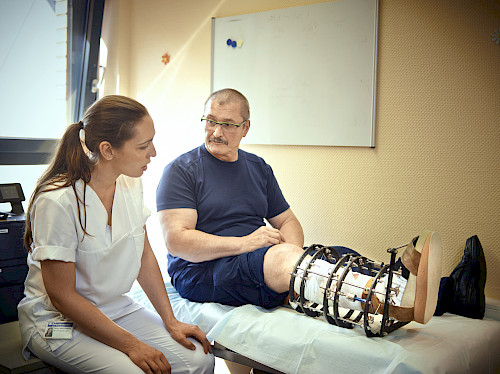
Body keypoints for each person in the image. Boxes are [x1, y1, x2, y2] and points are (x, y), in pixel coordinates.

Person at [156, 88, 441, 325]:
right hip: (200, 271)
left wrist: (293, 258)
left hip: (254, 259)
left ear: (245, 128)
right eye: (210, 120)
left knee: (338, 255)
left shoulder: (258, 168)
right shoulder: (182, 170)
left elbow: (288, 222)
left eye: (228, 124)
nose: (216, 131)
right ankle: (392, 298)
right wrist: (246, 245)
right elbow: (178, 242)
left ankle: (408, 288)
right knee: (287, 262)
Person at [18, 95, 215, 374]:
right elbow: (62, 296)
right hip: (56, 321)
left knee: (199, 359)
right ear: (108, 150)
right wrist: (131, 344)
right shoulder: (57, 201)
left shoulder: (129, 184)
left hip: (115, 308)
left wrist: (170, 320)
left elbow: (144, 254)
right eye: (144, 146)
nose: (154, 153)